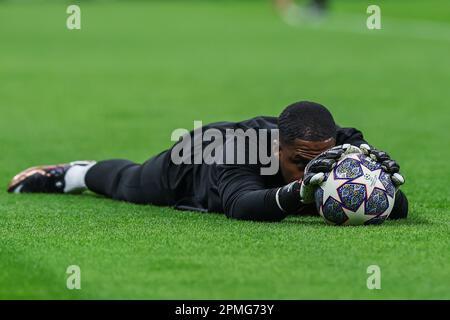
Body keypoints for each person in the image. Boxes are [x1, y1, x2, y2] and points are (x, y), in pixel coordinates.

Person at [7, 101, 408, 222]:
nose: (313, 171)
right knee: (127, 184)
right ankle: (75, 173)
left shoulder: (345, 145)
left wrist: (388, 190)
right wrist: (299, 191)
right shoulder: (239, 149)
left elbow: (395, 206)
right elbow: (240, 205)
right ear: (275, 148)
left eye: (321, 160)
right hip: (193, 163)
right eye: (300, 162)